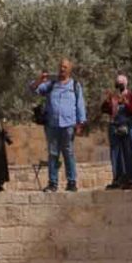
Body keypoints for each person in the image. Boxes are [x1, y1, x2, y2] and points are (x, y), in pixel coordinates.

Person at [30, 59, 86, 192]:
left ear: (70, 69)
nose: (62, 69)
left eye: (65, 67)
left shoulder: (75, 85)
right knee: (53, 153)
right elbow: (32, 89)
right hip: (52, 124)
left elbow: (80, 104)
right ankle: (52, 183)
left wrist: (80, 122)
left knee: (69, 152)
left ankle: (71, 182)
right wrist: (40, 80)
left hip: (68, 124)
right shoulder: (51, 84)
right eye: (61, 66)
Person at [101, 74, 132, 189]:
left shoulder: (131, 96)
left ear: (125, 83)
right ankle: (118, 177)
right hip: (115, 127)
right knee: (116, 153)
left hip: (129, 127)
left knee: (131, 152)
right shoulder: (114, 97)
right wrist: (107, 102)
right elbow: (105, 110)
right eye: (117, 82)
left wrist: (126, 103)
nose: (118, 85)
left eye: (120, 83)